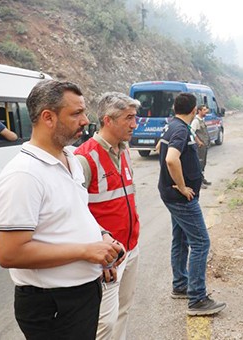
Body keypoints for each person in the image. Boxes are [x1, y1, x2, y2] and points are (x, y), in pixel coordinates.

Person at [0, 80, 124, 339]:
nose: (85, 120)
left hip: (81, 295)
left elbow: (74, 213)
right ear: (48, 117)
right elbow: (9, 253)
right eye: (76, 113)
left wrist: (102, 237)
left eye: (84, 112)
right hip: (53, 305)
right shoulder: (23, 174)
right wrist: (86, 251)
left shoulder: (70, 158)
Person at [74, 92, 141, 340]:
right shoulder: (84, 158)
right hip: (108, 256)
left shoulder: (124, 151)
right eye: (129, 118)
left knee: (123, 311)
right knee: (105, 323)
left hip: (130, 247)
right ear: (108, 120)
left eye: (135, 117)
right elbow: (76, 213)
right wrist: (100, 255)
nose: (135, 124)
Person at [158, 93, 226, 316]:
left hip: (171, 195)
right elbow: (170, 158)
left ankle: (181, 285)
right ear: (194, 109)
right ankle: (197, 299)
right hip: (181, 198)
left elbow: (160, 148)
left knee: (180, 238)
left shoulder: (173, 126)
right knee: (200, 243)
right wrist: (183, 185)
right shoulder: (179, 129)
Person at [191, 104, 211, 188]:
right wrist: (198, 141)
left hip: (204, 146)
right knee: (199, 164)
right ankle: (198, 182)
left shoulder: (201, 120)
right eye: (204, 110)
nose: (206, 111)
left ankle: (202, 179)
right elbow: (191, 131)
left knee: (203, 163)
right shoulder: (196, 121)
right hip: (199, 147)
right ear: (199, 111)